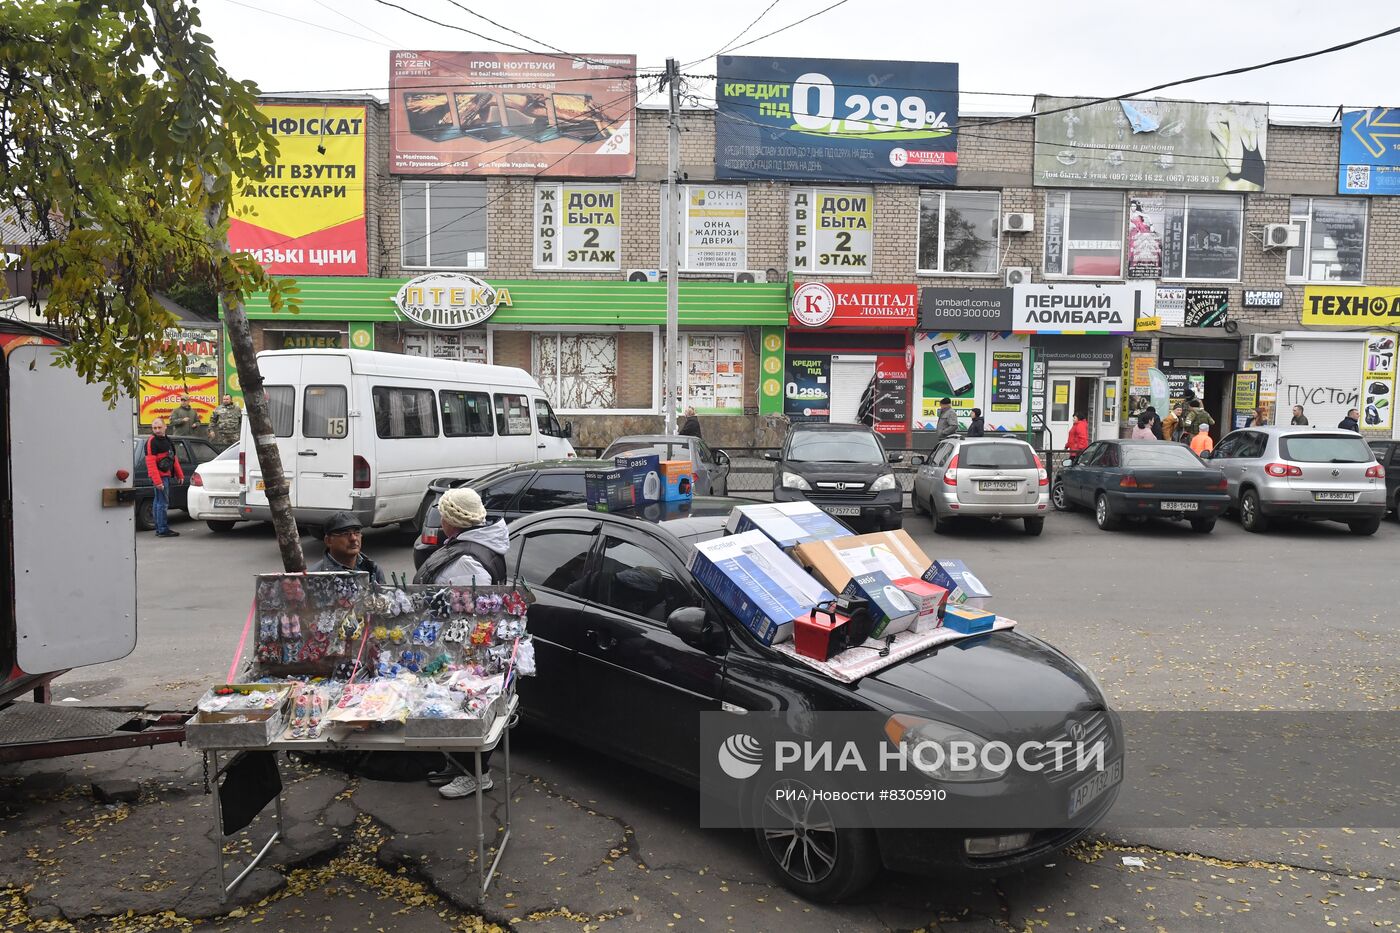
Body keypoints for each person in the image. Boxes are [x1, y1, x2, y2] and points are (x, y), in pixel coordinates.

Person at [414, 487, 510, 800]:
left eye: (444, 513)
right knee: (453, 702)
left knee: (468, 705)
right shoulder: (473, 545)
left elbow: (475, 605)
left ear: (454, 519)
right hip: (457, 643)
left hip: (468, 647)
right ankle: (457, 764)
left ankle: (476, 775)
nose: (440, 518)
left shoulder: (470, 560)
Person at [311, 511, 385, 583]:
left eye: (357, 532)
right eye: (345, 534)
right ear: (328, 541)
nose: (353, 538)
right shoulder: (315, 577)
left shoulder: (372, 568)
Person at [143, 418, 184, 537]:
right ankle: (162, 529)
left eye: (159, 427)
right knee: (162, 503)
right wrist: (157, 481)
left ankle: (160, 529)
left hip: (164, 476)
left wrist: (179, 474)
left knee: (159, 502)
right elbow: (150, 464)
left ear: (165, 427)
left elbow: (173, 458)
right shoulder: (152, 441)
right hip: (160, 478)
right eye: (154, 428)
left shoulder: (167, 440)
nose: (157, 430)